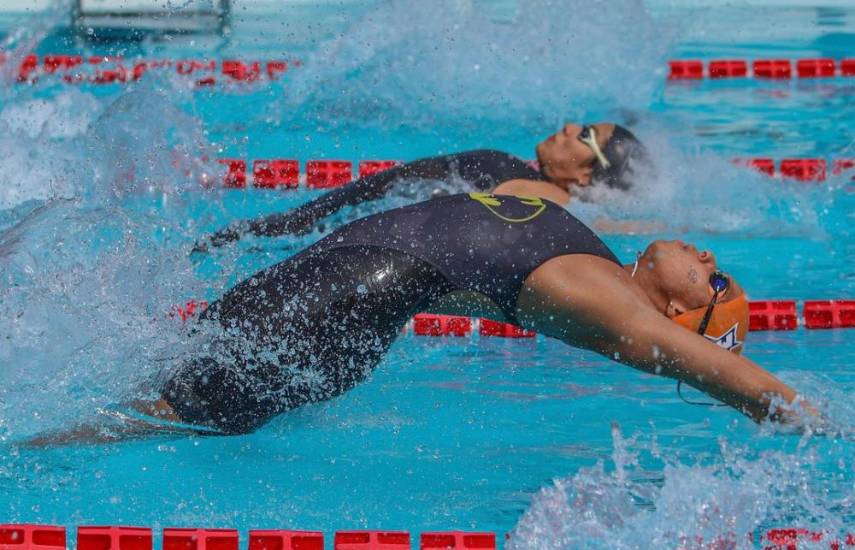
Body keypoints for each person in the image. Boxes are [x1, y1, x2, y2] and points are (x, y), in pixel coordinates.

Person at [44, 190, 810, 443]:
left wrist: (816, 421)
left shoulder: (610, 303)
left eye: (714, 279)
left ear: (677, 312)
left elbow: (718, 370)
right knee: (145, 406)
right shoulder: (596, 259)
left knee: (133, 417)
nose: (708, 256)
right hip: (338, 306)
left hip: (331, 308)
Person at [192, 123, 648, 252]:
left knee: (267, 233)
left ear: (585, 176)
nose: (569, 127)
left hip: (353, 218)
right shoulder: (529, 177)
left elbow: (581, 217)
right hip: (354, 212)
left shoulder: (550, 195)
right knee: (276, 231)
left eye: (585, 135)